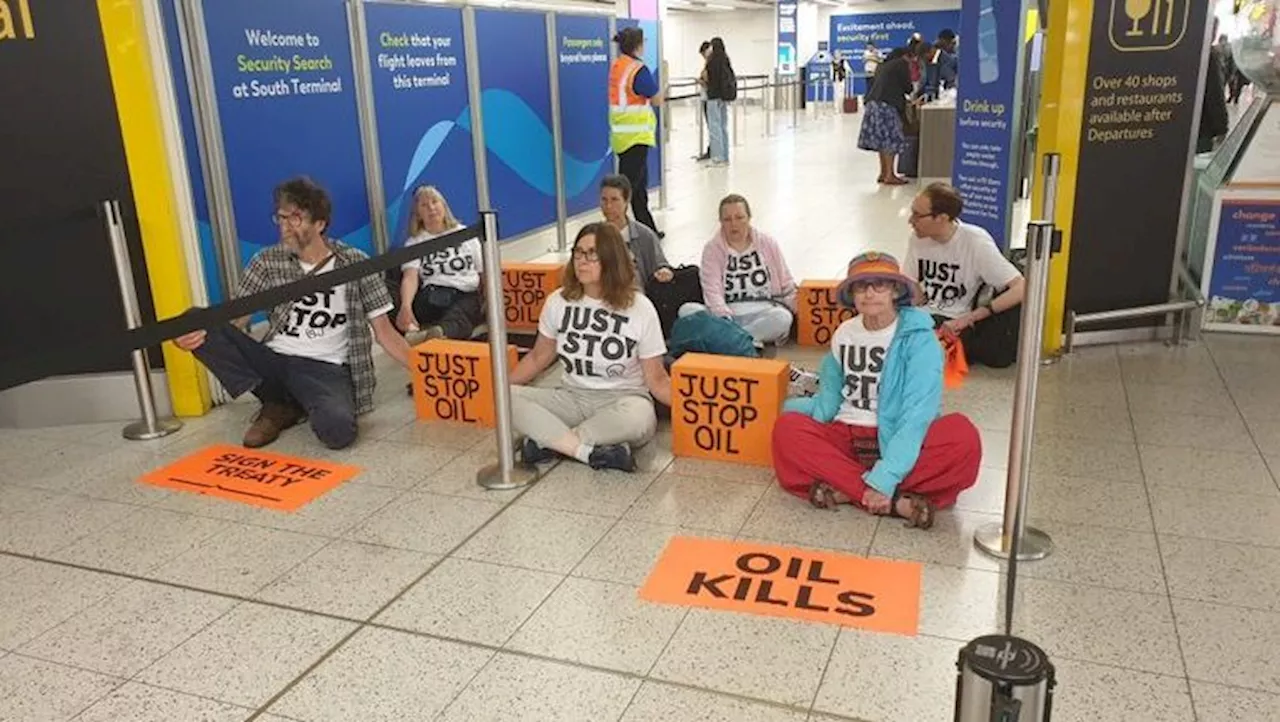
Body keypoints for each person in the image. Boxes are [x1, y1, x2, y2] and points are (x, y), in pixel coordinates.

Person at [173, 177, 411, 449]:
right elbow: (236, 320)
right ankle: (279, 402)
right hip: (274, 361)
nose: (284, 227)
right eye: (281, 218)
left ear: (320, 224)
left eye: (295, 219)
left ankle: (284, 407)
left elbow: (385, 332)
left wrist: (426, 374)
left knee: (338, 433)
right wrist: (195, 336)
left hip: (325, 368)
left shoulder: (355, 262)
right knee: (196, 318)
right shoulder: (266, 261)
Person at [772, 252, 982, 529]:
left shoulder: (921, 340)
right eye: (861, 286)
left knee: (962, 438)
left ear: (896, 290)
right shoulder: (845, 332)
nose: (870, 294)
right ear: (852, 294)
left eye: (879, 285)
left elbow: (917, 415)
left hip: (899, 436)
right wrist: (793, 413)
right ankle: (892, 502)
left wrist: (886, 475)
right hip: (847, 433)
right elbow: (830, 398)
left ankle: (850, 488)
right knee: (787, 430)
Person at [509, 223, 671, 472]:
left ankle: (550, 441)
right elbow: (538, 356)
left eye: (592, 254)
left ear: (611, 259)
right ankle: (587, 451)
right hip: (571, 397)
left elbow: (658, 379)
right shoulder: (558, 301)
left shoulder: (640, 307)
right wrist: (502, 388)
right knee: (505, 398)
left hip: (623, 400)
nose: (582, 261)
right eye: (578, 252)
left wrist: (697, 411)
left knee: (639, 418)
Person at [903, 183, 1025, 368]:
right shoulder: (918, 238)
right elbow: (910, 281)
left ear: (942, 218)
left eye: (918, 216)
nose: (911, 221)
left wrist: (972, 317)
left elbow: (1021, 287)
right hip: (924, 314)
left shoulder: (975, 242)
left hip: (955, 320)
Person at [679, 194, 796, 345]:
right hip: (724, 316)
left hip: (763, 312)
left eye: (739, 217)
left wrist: (802, 308)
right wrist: (724, 318)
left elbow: (786, 284)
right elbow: (712, 290)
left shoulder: (768, 243)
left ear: (749, 218)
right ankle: (744, 340)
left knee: (783, 318)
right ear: (721, 222)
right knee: (687, 310)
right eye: (727, 219)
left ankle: (730, 340)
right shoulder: (712, 249)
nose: (734, 224)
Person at [395, 186, 483, 341]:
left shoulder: (465, 234)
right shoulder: (415, 242)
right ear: (418, 214)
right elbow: (410, 277)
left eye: (434, 202)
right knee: (458, 316)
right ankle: (440, 331)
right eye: (424, 205)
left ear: (443, 206)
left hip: (466, 292)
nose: (431, 208)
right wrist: (406, 307)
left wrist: (490, 300)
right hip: (434, 295)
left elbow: (483, 271)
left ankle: (439, 332)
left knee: (463, 311)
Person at [610, 27, 665, 237]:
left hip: (622, 135)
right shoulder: (637, 69)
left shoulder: (618, 65)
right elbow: (657, 98)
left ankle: (648, 230)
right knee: (626, 189)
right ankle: (614, 232)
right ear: (638, 45)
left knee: (638, 188)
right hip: (636, 136)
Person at [858, 42, 929, 185]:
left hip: (873, 104)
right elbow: (908, 87)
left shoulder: (883, 65)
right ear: (905, 56)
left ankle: (883, 173)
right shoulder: (901, 64)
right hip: (887, 106)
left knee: (881, 142)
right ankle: (890, 175)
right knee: (891, 140)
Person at [599, 174, 673, 286]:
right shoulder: (593, 237)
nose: (608, 206)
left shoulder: (645, 236)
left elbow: (660, 264)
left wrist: (664, 271)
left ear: (626, 200)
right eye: (604, 200)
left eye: (614, 200)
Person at [704, 37, 736, 166]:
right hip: (724, 98)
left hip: (713, 97)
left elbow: (707, 78)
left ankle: (717, 157)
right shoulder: (725, 59)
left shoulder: (711, 62)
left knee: (714, 127)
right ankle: (725, 156)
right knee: (723, 127)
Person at [923, 29, 958, 99]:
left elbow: (951, 79)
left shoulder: (949, 59)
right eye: (952, 43)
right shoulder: (932, 58)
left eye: (954, 43)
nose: (953, 46)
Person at [696, 40, 713, 161]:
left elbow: (707, 82)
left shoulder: (710, 64)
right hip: (708, 98)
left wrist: (700, 81)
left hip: (708, 98)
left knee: (712, 126)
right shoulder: (711, 63)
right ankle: (712, 149)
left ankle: (712, 150)